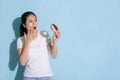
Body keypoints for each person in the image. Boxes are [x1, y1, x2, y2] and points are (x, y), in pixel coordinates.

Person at [17, 11, 60, 80]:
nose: (34, 23)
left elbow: (54, 56)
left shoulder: (44, 34)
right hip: (29, 77)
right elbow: (22, 62)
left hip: (46, 75)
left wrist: (54, 42)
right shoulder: (20, 40)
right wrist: (27, 42)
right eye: (30, 21)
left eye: (35, 20)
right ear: (24, 25)